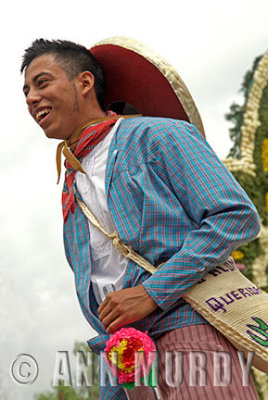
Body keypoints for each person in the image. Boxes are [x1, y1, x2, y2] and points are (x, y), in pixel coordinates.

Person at [21, 38, 260, 399]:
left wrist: (152, 291)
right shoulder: (72, 180)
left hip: (188, 326)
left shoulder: (158, 135)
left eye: (42, 82)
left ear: (84, 83)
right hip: (120, 358)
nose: (31, 98)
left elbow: (235, 216)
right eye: (25, 91)